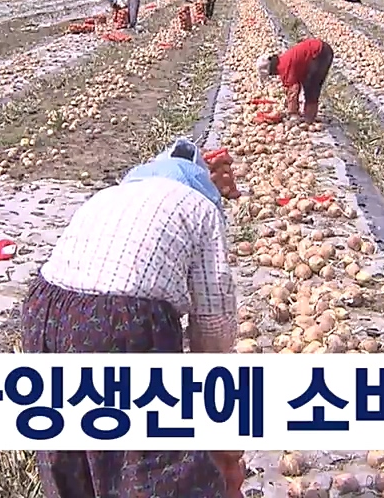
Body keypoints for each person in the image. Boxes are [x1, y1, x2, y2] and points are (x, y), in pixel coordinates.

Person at [20, 137, 241, 498]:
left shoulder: (108, 196)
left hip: (44, 311)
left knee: (70, 443)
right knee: (152, 458)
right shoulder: (199, 208)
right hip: (122, 321)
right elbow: (213, 324)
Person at [255, 36, 334, 123]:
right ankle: (309, 114)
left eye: (271, 74)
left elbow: (293, 89)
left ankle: (309, 118)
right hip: (321, 50)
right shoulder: (284, 60)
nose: (273, 76)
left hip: (319, 53)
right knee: (309, 82)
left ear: (271, 70)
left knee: (311, 86)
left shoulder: (284, 68)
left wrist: (292, 113)